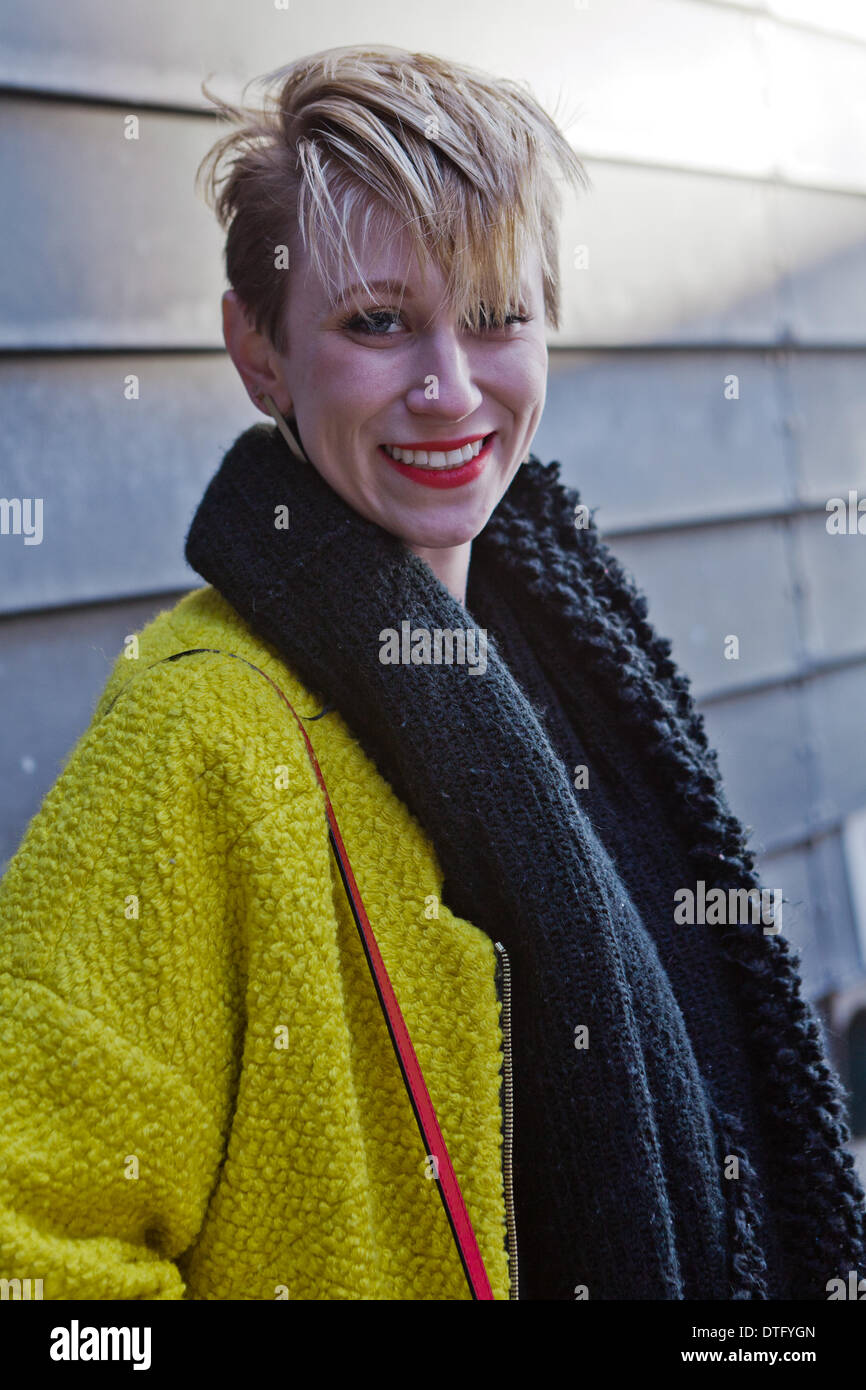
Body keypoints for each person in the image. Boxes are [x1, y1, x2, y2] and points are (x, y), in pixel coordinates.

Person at [1, 43, 864, 1302]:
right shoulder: (196, 730)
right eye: (378, 322)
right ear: (260, 353)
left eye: (496, 314)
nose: (450, 389)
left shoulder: (570, 660)